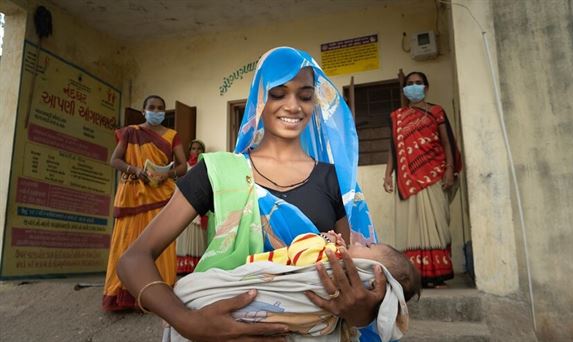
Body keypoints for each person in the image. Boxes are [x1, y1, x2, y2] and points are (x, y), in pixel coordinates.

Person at [117, 47, 388, 341]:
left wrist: (360, 312)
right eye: (278, 93)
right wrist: (188, 322)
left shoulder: (334, 180)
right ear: (259, 97)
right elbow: (133, 260)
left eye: (306, 95)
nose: (294, 106)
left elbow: (358, 277)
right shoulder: (219, 172)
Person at [166, 231, 420, 341]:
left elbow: (301, 251)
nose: (361, 241)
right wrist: (186, 321)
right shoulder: (224, 170)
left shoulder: (333, 263)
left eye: (367, 247)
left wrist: (322, 242)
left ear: (368, 273)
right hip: (223, 306)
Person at [102, 95, 187, 311]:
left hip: (160, 194)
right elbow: (115, 160)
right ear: (143, 111)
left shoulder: (172, 135)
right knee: (126, 241)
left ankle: (159, 293)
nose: (156, 111)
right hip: (132, 192)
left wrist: (166, 175)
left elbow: (183, 166)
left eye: (160, 108)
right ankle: (120, 293)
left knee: (160, 244)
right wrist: (136, 170)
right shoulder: (130, 132)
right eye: (152, 107)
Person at [383, 71, 462, 289]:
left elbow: (446, 143)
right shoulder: (397, 116)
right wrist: (388, 174)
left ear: (426, 88)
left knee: (437, 225)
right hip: (406, 179)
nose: (414, 87)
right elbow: (393, 148)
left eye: (418, 83)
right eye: (409, 84)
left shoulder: (436, 111)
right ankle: (417, 275)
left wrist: (449, 169)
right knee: (412, 228)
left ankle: (439, 275)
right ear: (404, 89)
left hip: (433, 174)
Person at [176, 139, 208, 274]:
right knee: (184, 235)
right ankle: (182, 266)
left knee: (198, 238)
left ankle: (196, 268)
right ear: (189, 151)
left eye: (199, 149)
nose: (196, 151)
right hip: (184, 207)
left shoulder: (205, 167)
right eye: (193, 148)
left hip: (200, 206)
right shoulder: (185, 167)